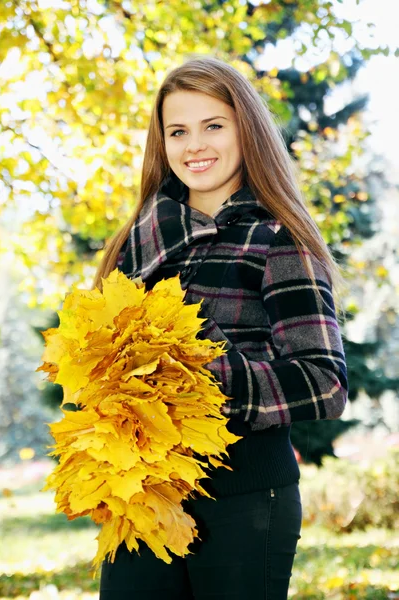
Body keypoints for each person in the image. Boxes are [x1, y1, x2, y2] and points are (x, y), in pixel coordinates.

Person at [96, 56, 348, 600]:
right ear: (161, 143)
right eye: (178, 131)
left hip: (247, 497)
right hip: (144, 497)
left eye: (214, 125)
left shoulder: (280, 240)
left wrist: (197, 374)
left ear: (246, 130)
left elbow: (325, 383)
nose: (195, 145)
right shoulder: (132, 243)